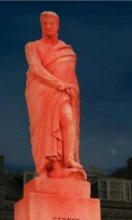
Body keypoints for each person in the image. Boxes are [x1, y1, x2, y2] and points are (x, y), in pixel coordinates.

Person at [25, 11, 84, 179]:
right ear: (41, 25)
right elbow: (36, 69)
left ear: (57, 26)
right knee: (43, 130)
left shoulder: (67, 51)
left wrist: (71, 90)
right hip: (41, 93)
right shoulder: (32, 46)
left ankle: (69, 159)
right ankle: (45, 167)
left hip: (63, 93)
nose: (48, 26)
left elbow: (71, 75)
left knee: (68, 119)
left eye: (51, 23)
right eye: (45, 23)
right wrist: (59, 84)